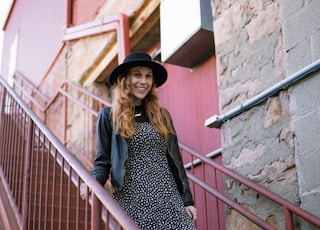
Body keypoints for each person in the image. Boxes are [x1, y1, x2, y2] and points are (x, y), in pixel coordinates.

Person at [82, 52, 197, 229]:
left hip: (169, 199)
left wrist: (187, 200)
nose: (143, 81)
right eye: (137, 75)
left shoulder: (162, 116)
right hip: (132, 201)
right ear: (125, 79)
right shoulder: (108, 116)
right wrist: (93, 182)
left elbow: (176, 163)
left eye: (148, 76)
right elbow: (102, 161)